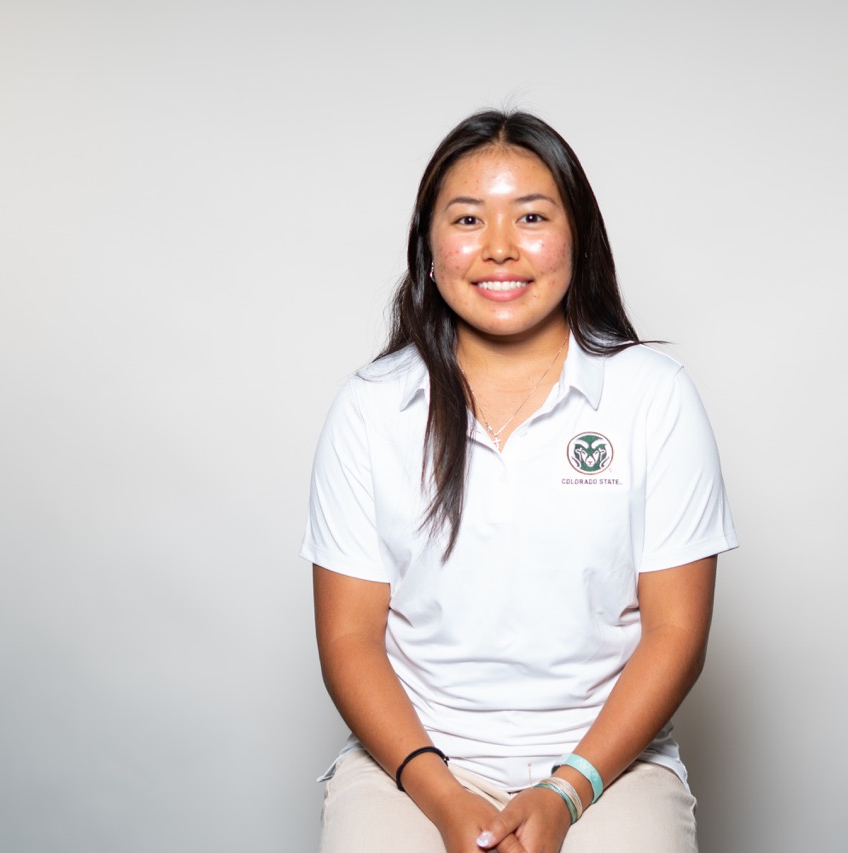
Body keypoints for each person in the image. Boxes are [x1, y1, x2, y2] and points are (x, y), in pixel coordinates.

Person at [300, 109, 737, 853]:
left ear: (578, 239)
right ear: (429, 249)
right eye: (468, 219)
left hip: (608, 764)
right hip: (413, 764)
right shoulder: (371, 407)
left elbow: (676, 631)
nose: (499, 247)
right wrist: (443, 797)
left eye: (531, 216)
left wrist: (566, 792)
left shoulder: (653, 396)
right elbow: (348, 637)